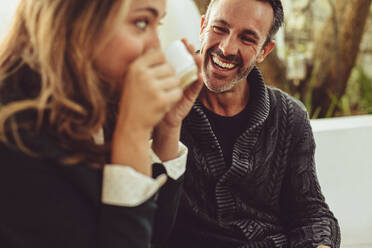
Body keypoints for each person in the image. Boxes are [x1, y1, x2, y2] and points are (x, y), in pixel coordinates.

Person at [0, 0, 202, 247]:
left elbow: (153, 234)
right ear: (78, 19)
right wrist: (133, 135)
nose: (156, 49)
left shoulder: (99, 104)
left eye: (156, 25)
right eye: (141, 23)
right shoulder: (15, 136)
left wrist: (168, 128)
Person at [166, 0, 341, 247]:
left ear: (264, 51)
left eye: (247, 38)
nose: (226, 48)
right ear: (203, 25)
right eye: (220, 28)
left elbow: (310, 213)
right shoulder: (162, 101)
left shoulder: (289, 116)